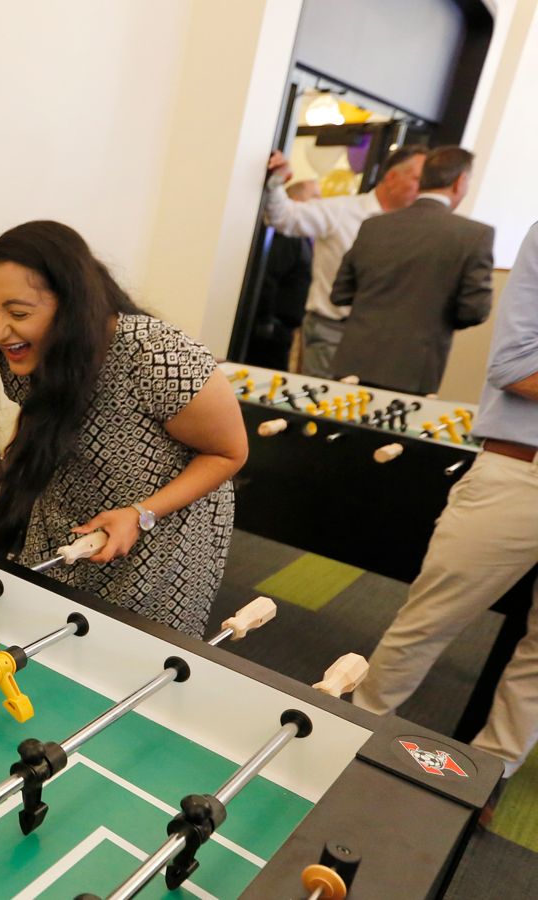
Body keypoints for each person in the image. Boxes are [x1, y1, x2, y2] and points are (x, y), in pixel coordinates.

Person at [0, 221, 247, 635]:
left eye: (18, 312)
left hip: (162, 531)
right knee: (39, 629)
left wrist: (140, 514)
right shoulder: (24, 350)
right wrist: (6, 468)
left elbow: (229, 454)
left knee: (128, 651)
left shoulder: (155, 353)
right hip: (70, 511)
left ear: (72, 305)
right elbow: (40, 414)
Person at [352, 218, 538, 807]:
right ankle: (351, 738)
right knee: (426, 622)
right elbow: (515, 367)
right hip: (520, 472)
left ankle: (483, 785)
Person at [328, 146, 494, 394]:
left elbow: (340, 293)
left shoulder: (375, 226)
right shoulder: (474, 236)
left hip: (354, 362)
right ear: (460, 182)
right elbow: (474, 310)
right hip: (415, 369)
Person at [264, 145, 425, 378]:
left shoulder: (416, 229)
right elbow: (283, 217)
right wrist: (277, 180)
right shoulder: (342, 210)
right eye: (418, 179)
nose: (423, 190)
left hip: (384, 339)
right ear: (391, 177)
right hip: (332, 332)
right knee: (321, 406)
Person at [246, 180, 317, 369]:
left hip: (283, 327)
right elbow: (270, 278)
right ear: (294, 201)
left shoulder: (302, 237)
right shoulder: (288, 237)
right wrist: (267, 321)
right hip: (272, 328)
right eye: (315, 196)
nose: (320, 202)